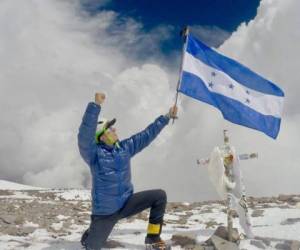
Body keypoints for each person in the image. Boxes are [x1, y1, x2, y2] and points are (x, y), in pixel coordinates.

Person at [78, 92, 178, 250]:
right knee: (92, 247)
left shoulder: (124, 148)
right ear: (100, 136)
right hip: (106, 213)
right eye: (109, 128)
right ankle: (91, 234)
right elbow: (84, 136)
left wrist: (166, 117)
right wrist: (95, 106)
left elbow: (146, 135)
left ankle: (152, 238)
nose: (115, 129)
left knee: (159, 196)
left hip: (126, 203)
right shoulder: (94, 154)